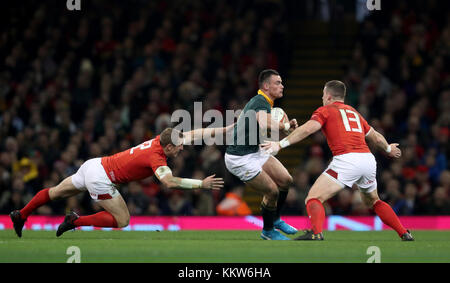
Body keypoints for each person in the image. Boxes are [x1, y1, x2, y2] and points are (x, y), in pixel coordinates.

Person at [261, 80, 414, 241]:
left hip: (347, 159)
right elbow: (375, 136)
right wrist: (389, 149)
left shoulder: (325, 110)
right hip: (368, 160)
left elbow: (307, 129)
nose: (322, 98)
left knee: (313, 198)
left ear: (328, 96)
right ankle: (404, 232)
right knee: (374, 201)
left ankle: (316, 233)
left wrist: (280, 144)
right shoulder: (354, 112)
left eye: (322, 95)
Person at [10, 127, 228, 237]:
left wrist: (227, 130)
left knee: (56, 192)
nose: (182, 148)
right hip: (101, 179)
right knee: (123, 220)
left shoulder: (161, 141)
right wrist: (201, 184)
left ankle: (21, 214)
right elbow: (169, 182)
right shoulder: (156, 157)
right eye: (179, 147)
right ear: (169, 147)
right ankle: (74, 221)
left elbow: (197, 133)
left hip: (94, 165)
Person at [225, 69, 299, 240]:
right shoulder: (260, 101)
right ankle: (267, 231)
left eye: (281, 82)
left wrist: (284, 130)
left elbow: (265, 129)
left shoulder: (265, 103)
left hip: (254, 150)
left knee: (286, 180)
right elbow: (265, 123)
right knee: (272, 191)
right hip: (239, 158)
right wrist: (285, 127)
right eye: (277, 83)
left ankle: (276, 219)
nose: (282, 85)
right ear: (266, 86)